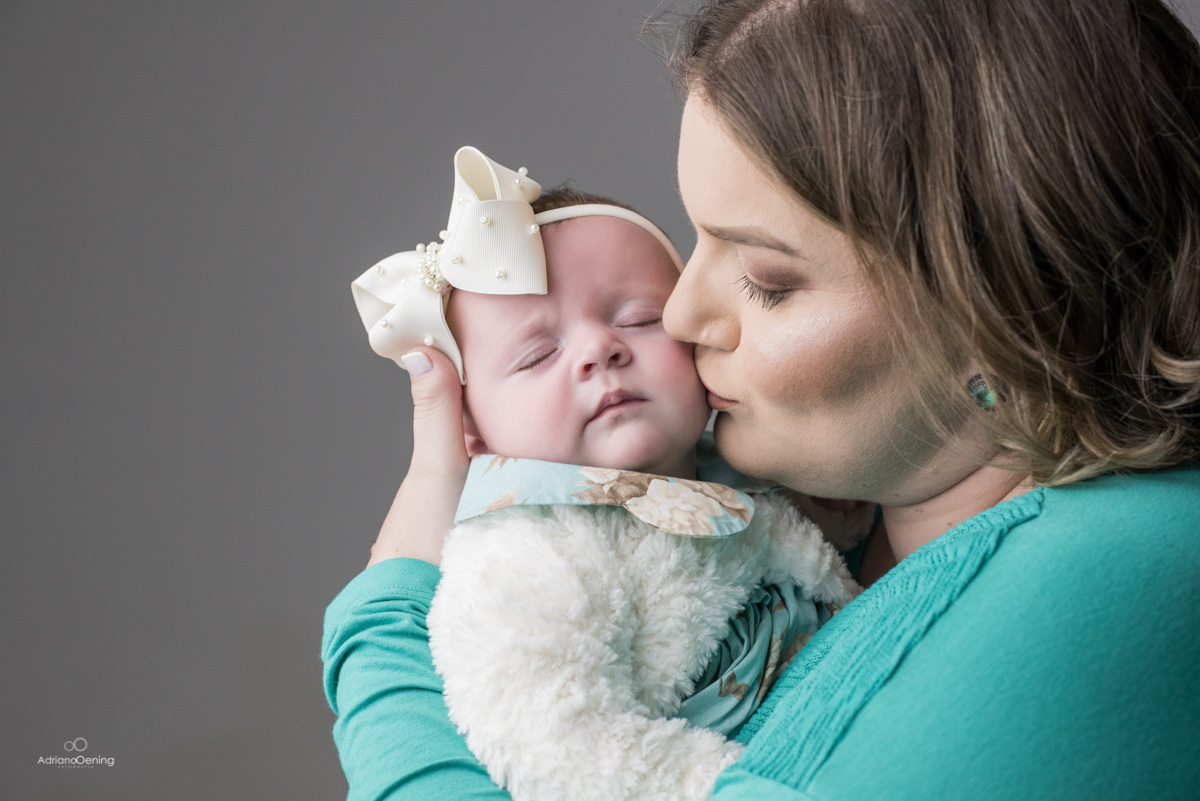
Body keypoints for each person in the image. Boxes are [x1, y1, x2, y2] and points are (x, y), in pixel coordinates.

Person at [323, 1, 1200, 799]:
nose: (678, 313)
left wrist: (386, 618)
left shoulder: (1091, 602)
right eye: (695, 237)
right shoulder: (864, 526)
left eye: (766, 279)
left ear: (1010, 309)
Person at [344, 145, 860, 801]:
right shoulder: (522, 561)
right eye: (536, 355)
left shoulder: (752, 466)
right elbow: (561, 748)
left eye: (638, 318)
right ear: (470, 432)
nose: (599, 349)